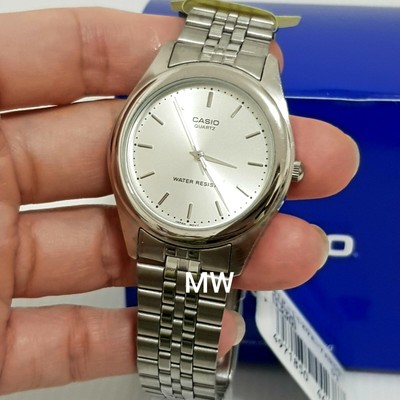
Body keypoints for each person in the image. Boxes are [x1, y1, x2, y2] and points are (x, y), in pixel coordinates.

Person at [0, 7, 359, 395]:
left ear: (287, 170)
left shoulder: (259, 95)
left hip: (215, 233)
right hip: (152, 218)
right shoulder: (156, 97)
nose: (200, 154)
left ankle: (191, 376)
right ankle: (181, 376)